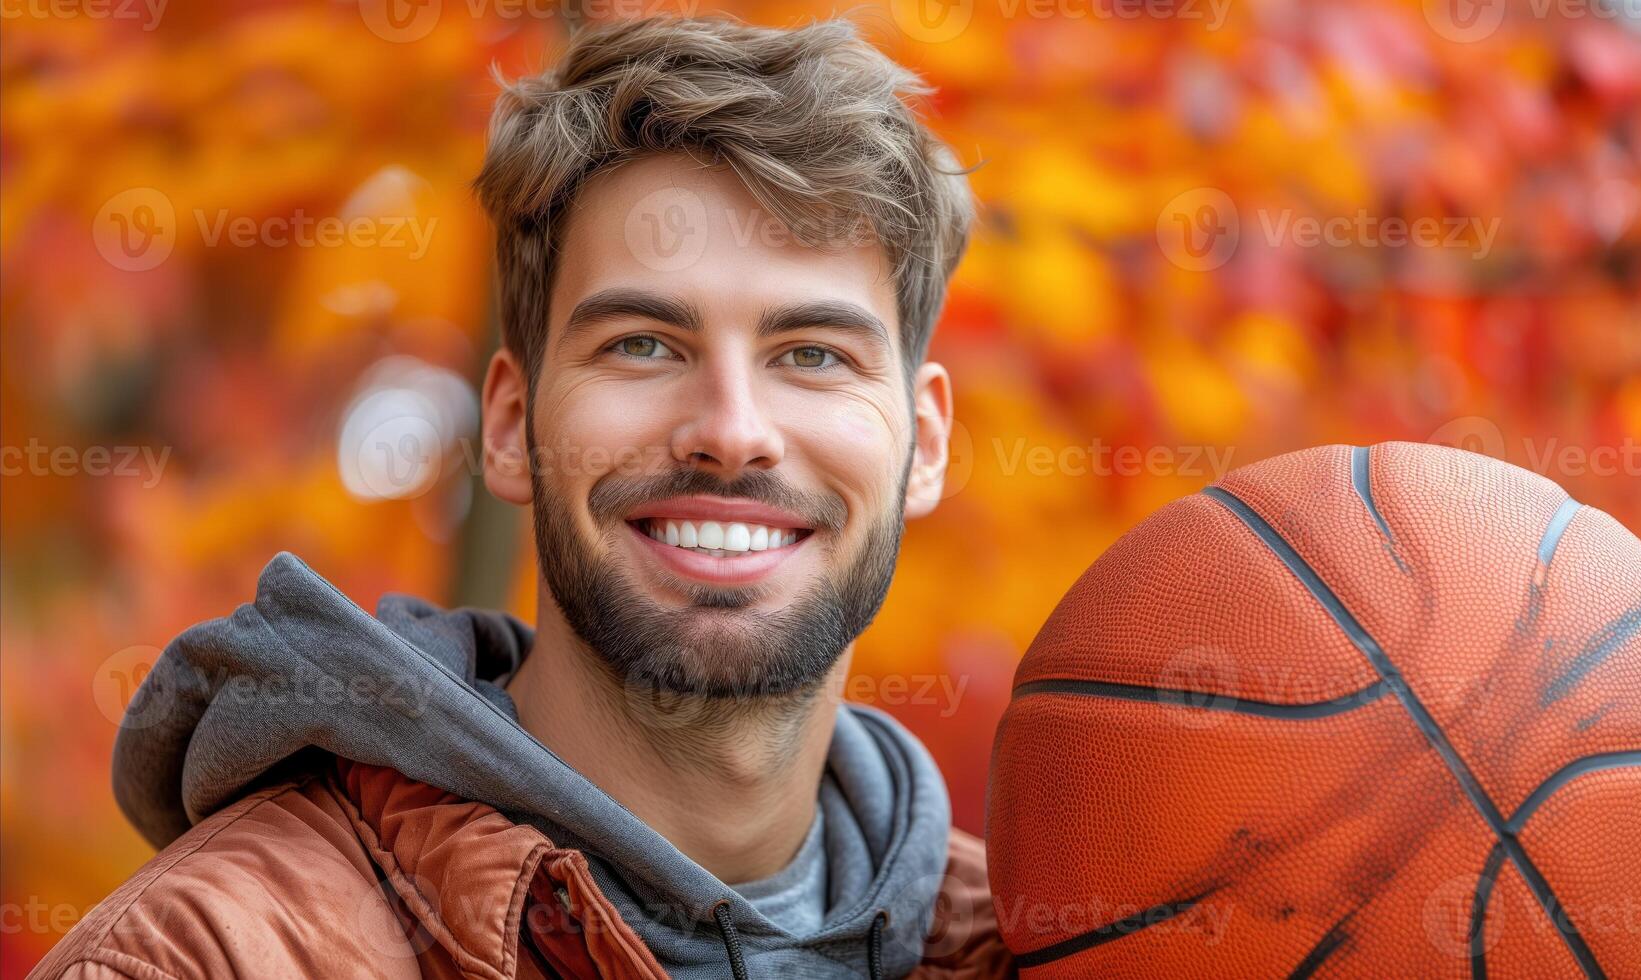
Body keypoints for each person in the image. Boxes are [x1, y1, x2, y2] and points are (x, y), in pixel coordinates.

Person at [33, 15, 1013, 979]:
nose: (731, 427)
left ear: (923, 444)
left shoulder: (1053, 943)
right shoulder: (212, 953)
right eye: (643, 343)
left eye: (812, 354)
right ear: (509, 425)